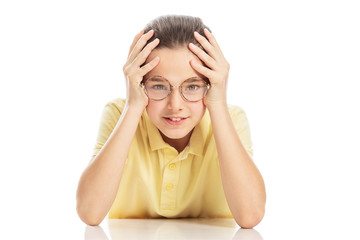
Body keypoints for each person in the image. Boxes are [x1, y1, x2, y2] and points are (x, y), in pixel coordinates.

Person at [76, 15, 266, 229]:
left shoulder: (230, 119)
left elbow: (250, 216)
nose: (175, 105)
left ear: (211, 85)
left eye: (192, 86)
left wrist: (219, 104)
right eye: (158, 86)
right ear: (138, 84)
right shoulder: (120, 114)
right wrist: (133, 106)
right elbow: (90, 213)